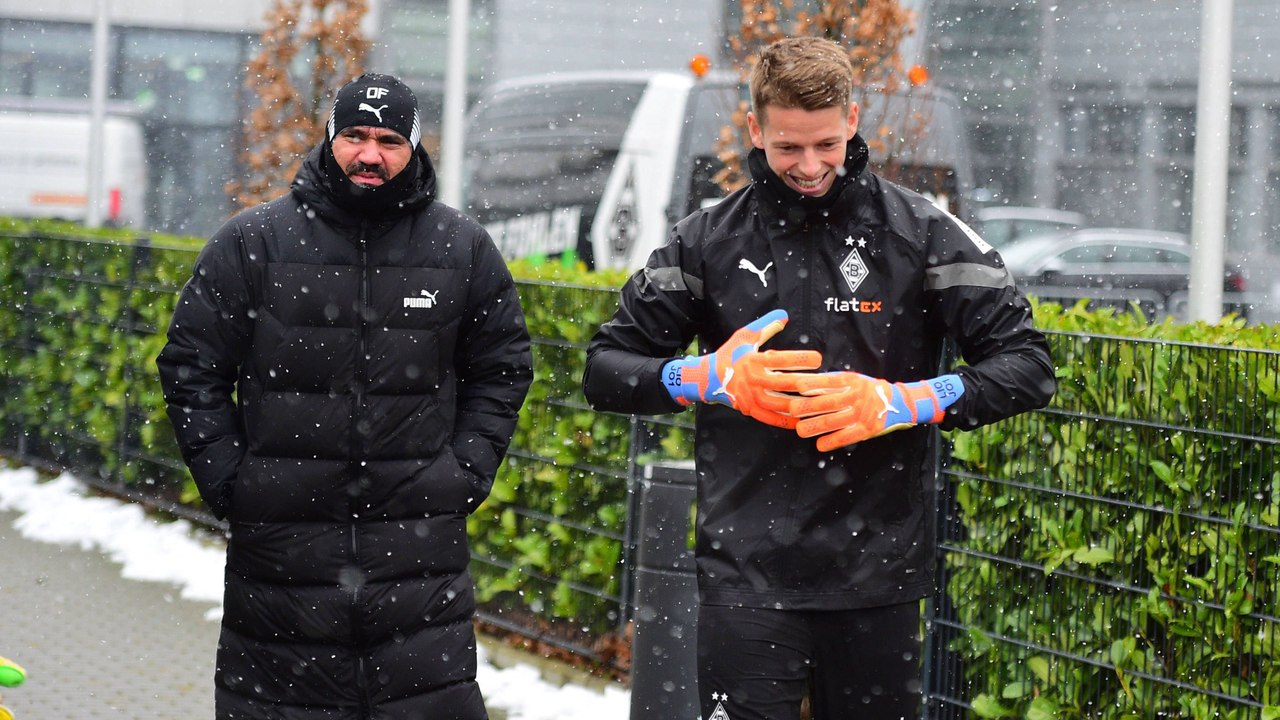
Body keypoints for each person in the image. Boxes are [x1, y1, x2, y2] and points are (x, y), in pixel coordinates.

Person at [582, 37, 1056, 720]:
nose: (809, 167)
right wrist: (706, 378)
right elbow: (604, 369)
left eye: (826, 145)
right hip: (746, 575)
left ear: (854, 118)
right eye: (788, 148)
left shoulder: (923, 233)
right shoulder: (705, 239)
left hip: (878, 577)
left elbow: (1029, 366)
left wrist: (907, 401)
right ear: (755, 130)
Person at [157, 73, 533, 720]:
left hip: (418, 571)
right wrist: (234, 483)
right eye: (355, 135)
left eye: (389, 140)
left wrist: (461, 475)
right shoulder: (253, 244)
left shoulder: (462, 249)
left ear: (414, 148)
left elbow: (503, 368)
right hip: (282, 570)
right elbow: (191, 365)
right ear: (330, 136)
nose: (370, 154)